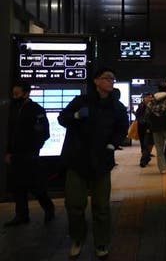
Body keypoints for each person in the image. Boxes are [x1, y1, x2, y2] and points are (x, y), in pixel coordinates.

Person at [58, 67, 128, 259]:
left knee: (101, 206)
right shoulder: (81, 101)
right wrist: (76, 116)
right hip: (77, 160)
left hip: (102, 162)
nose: (111, 81)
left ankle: (101, 242)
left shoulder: (117, 106)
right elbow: (62, 118)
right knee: (74, 204)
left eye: (113, 78)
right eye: (107, 78)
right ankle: (77, 238)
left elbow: (123, 127)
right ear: (96, 81)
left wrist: (113, 144)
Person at [4, 80, 55, 227]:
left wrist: (34, 150)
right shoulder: (14, 109)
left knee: (36, 186)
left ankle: (48, 208)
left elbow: (44, 133)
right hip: (16, 155)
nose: (14, 96)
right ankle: (21, 215)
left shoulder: (36, 110)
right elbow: (11, 133)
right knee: (17, 186)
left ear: (26, 93)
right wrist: (9, 152)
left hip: (30, 155)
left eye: (17, 94)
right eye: (13, 94)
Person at [145, 83, 166, 174]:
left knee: (159, 148)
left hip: (156, 127)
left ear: (158, 88)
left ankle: (162, 168)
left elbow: (147, 115)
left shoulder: (151, 102)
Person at [135, 92, 154, 167]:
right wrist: (142, 121)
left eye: (151, 97)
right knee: (143, 144)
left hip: (149, 128)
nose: (150, 99)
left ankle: (143, 161)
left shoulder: (152, 106)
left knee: (147, 144)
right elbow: (138, 116)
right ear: (144, 98)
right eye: (148, 97)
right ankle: (146, 158)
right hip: (141, 127)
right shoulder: (141, 106)